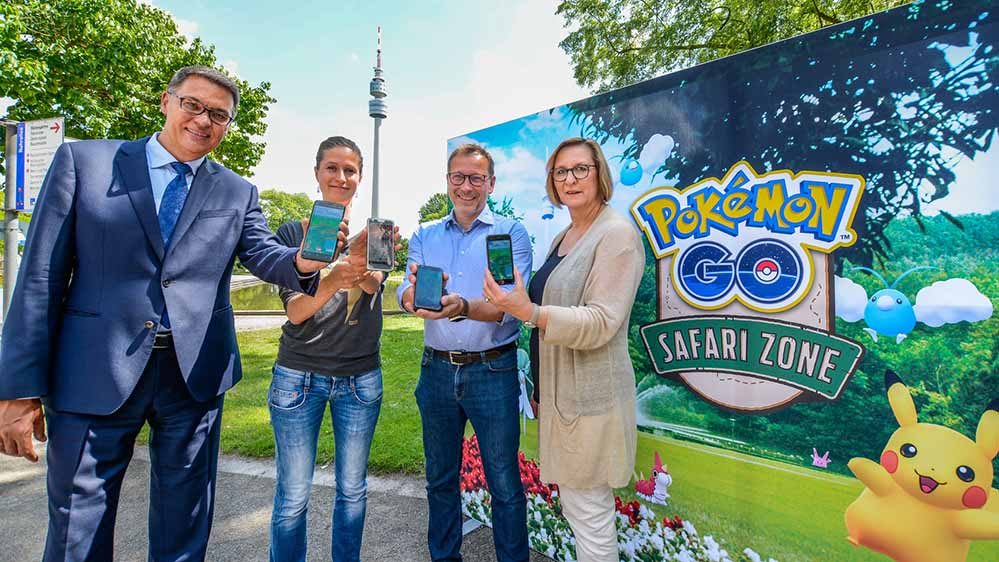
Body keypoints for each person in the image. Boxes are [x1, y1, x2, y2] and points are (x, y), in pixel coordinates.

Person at [0, 65, 329, 562]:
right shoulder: (83, 162)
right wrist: (18, 390)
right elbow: (39, 279)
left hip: (192, 380)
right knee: (76, 530)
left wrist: (303, 259)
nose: (204, 121)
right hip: (93, 373)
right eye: (193, 105)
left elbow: (264, 255)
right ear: (167, 101)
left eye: (219, 115)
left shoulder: (238, 192)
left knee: (185, 527)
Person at [483, 137, 643, 562]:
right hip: (560, 400)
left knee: (590, 518)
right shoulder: (566, 235)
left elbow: (602, 322)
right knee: (580, 511)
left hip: (592, 402)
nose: (570, 179)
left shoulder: (617, 236)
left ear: (599, 175)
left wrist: (530, 311)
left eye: (580, 169)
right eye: (560, 172)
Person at [398, 144, 532, 562]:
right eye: (458, 177)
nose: (466, 186)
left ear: (491, 183)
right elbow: (407, 288)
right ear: (447, 181)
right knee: (440, 479)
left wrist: (464, 307)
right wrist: (409, 299)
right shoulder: (424, 234)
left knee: (505, 483)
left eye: (476, 178)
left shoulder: (511, 234)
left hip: (493, 370)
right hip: (435, 371)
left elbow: (511, 305)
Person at [268, 136, 395, 562]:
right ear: (317, 172)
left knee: (353, 491)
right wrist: (333, 275)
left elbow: (372, 287)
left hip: (360, 379)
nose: (341, 177)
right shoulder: (292, 234)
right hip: (298, 378)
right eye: (332, 168)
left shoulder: (374, 236)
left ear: (359, 178)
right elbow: (298, 311)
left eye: (350, 170)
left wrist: (358, 257)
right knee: (292, 496)